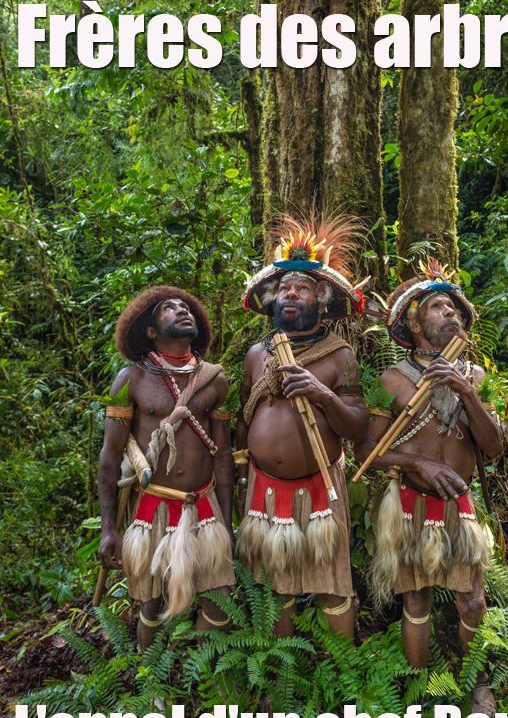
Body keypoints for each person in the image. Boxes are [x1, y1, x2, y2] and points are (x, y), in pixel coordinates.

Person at [354, 258, 503, 715]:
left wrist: (467, 392)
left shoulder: (473, 376)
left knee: (472, 599)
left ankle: (475, 684)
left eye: (454, 308)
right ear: (415, 323)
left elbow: (494, 448)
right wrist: (417, 461)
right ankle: (420, 691)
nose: (451, 313)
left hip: (459, 503)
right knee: (415, 598)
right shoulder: (392, 379)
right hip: (409, 502)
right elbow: (367, 453)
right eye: (439, 307)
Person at [236, 214, 369, 640]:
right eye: (284, 288)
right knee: (276, 587)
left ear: (323, 299)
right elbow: (244, 417)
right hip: (264, 486)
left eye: (303, 288)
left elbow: (358, 427)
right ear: (273, 299)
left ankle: (341, 676)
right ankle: (282, 677)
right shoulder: (257, 354)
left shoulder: (339, 355)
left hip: (319, 484)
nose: (290, 293)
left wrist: (324, 394)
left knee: (332, 585)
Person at [98, 286, 235, 651]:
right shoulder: (132, 380)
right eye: (169, 308)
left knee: (219, 598)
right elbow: (110, 457)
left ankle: (206, 681)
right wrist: (108, 528)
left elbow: (222, 455)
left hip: (204, 507)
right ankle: (153, 690)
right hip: (152, 508)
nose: (181, 309)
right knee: (151, 602)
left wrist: (227, 520)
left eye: (186, 306)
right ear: (151, 332)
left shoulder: (215, 380)